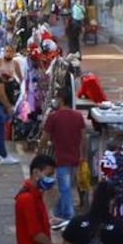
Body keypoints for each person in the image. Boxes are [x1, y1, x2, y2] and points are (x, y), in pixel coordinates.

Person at [37, 89, 86, 223]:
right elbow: (83, 137)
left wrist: (39, 151)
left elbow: (44, 137)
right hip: (76, 157)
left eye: (57, 98)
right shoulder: (78, 116)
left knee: (64, 188)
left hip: (61, 158)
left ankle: (70, 217)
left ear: (61, 99)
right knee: (67, 187)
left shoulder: (54, 117)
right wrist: (82, 154)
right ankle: (60, 211)